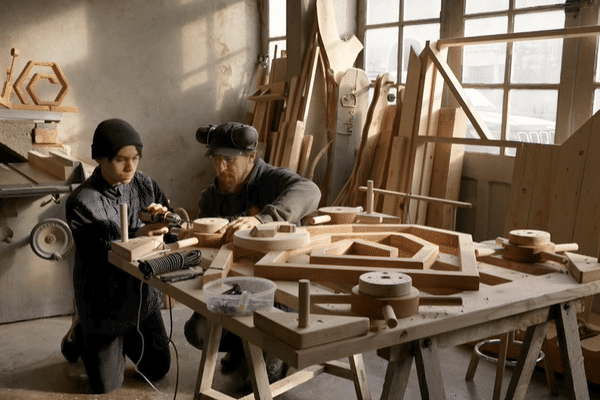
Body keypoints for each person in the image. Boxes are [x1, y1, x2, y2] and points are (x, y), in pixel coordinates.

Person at [184, 121, 321, 384]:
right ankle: (243, 346)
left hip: (278, 290)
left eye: (229, 160)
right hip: (237, 286)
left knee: (259, 382)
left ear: (251, 157)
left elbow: (311, 191)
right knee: (197, 331)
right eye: (215, 159)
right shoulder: (211, 197)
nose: (221, 168)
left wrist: (265, 219)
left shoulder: (272, 180)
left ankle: (273, 356)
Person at [60, 118, 174, 394]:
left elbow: (173, 225)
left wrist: (168, 220)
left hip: (142, 301)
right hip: (103, 302)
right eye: (121, 160)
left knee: (158, 369)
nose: (130, 167)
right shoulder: (82, 201)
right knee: (105, 386)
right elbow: (103, 255)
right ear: (100, 158)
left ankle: (127, 336)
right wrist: (143, 233)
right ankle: (80, 334)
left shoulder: (144, 184)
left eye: (135, 158)